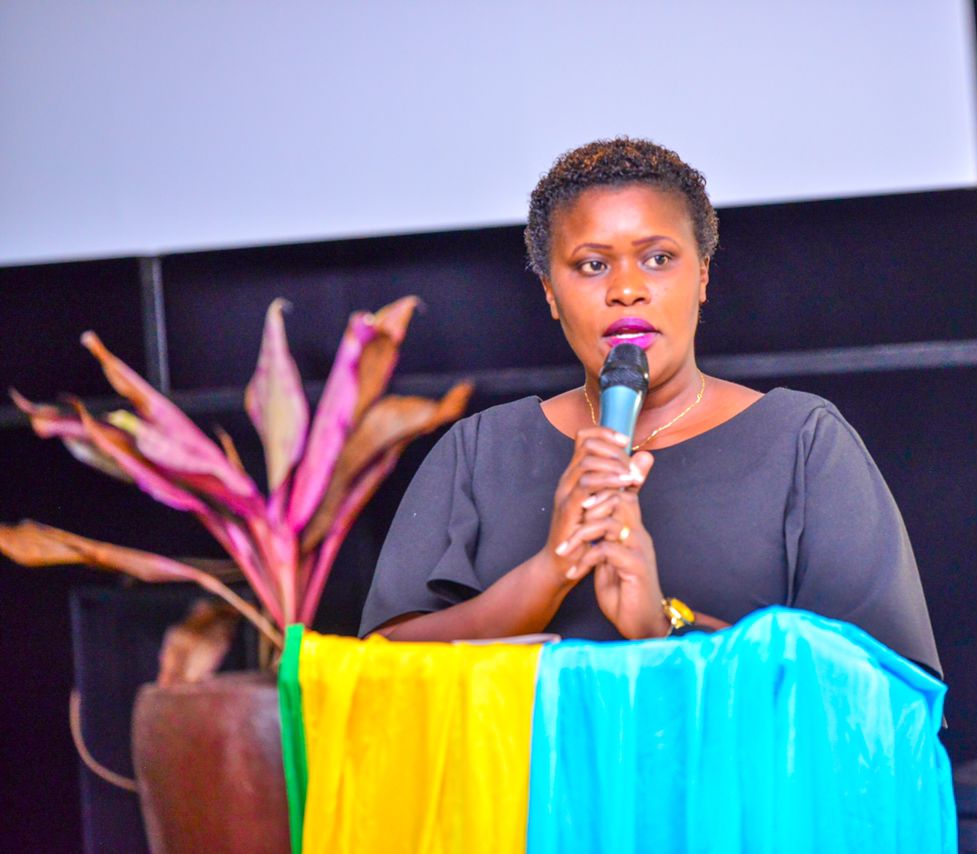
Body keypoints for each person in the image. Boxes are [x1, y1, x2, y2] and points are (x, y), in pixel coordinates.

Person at [359, 137, 940, 676]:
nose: (627, 289)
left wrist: (664, 626)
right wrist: (547, 574)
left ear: (703, 274)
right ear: (550, 293)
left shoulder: (802, 442)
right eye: (593, 264)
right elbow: (371, 682)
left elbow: (883, 695)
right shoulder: (479, 452)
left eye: (658, 258)